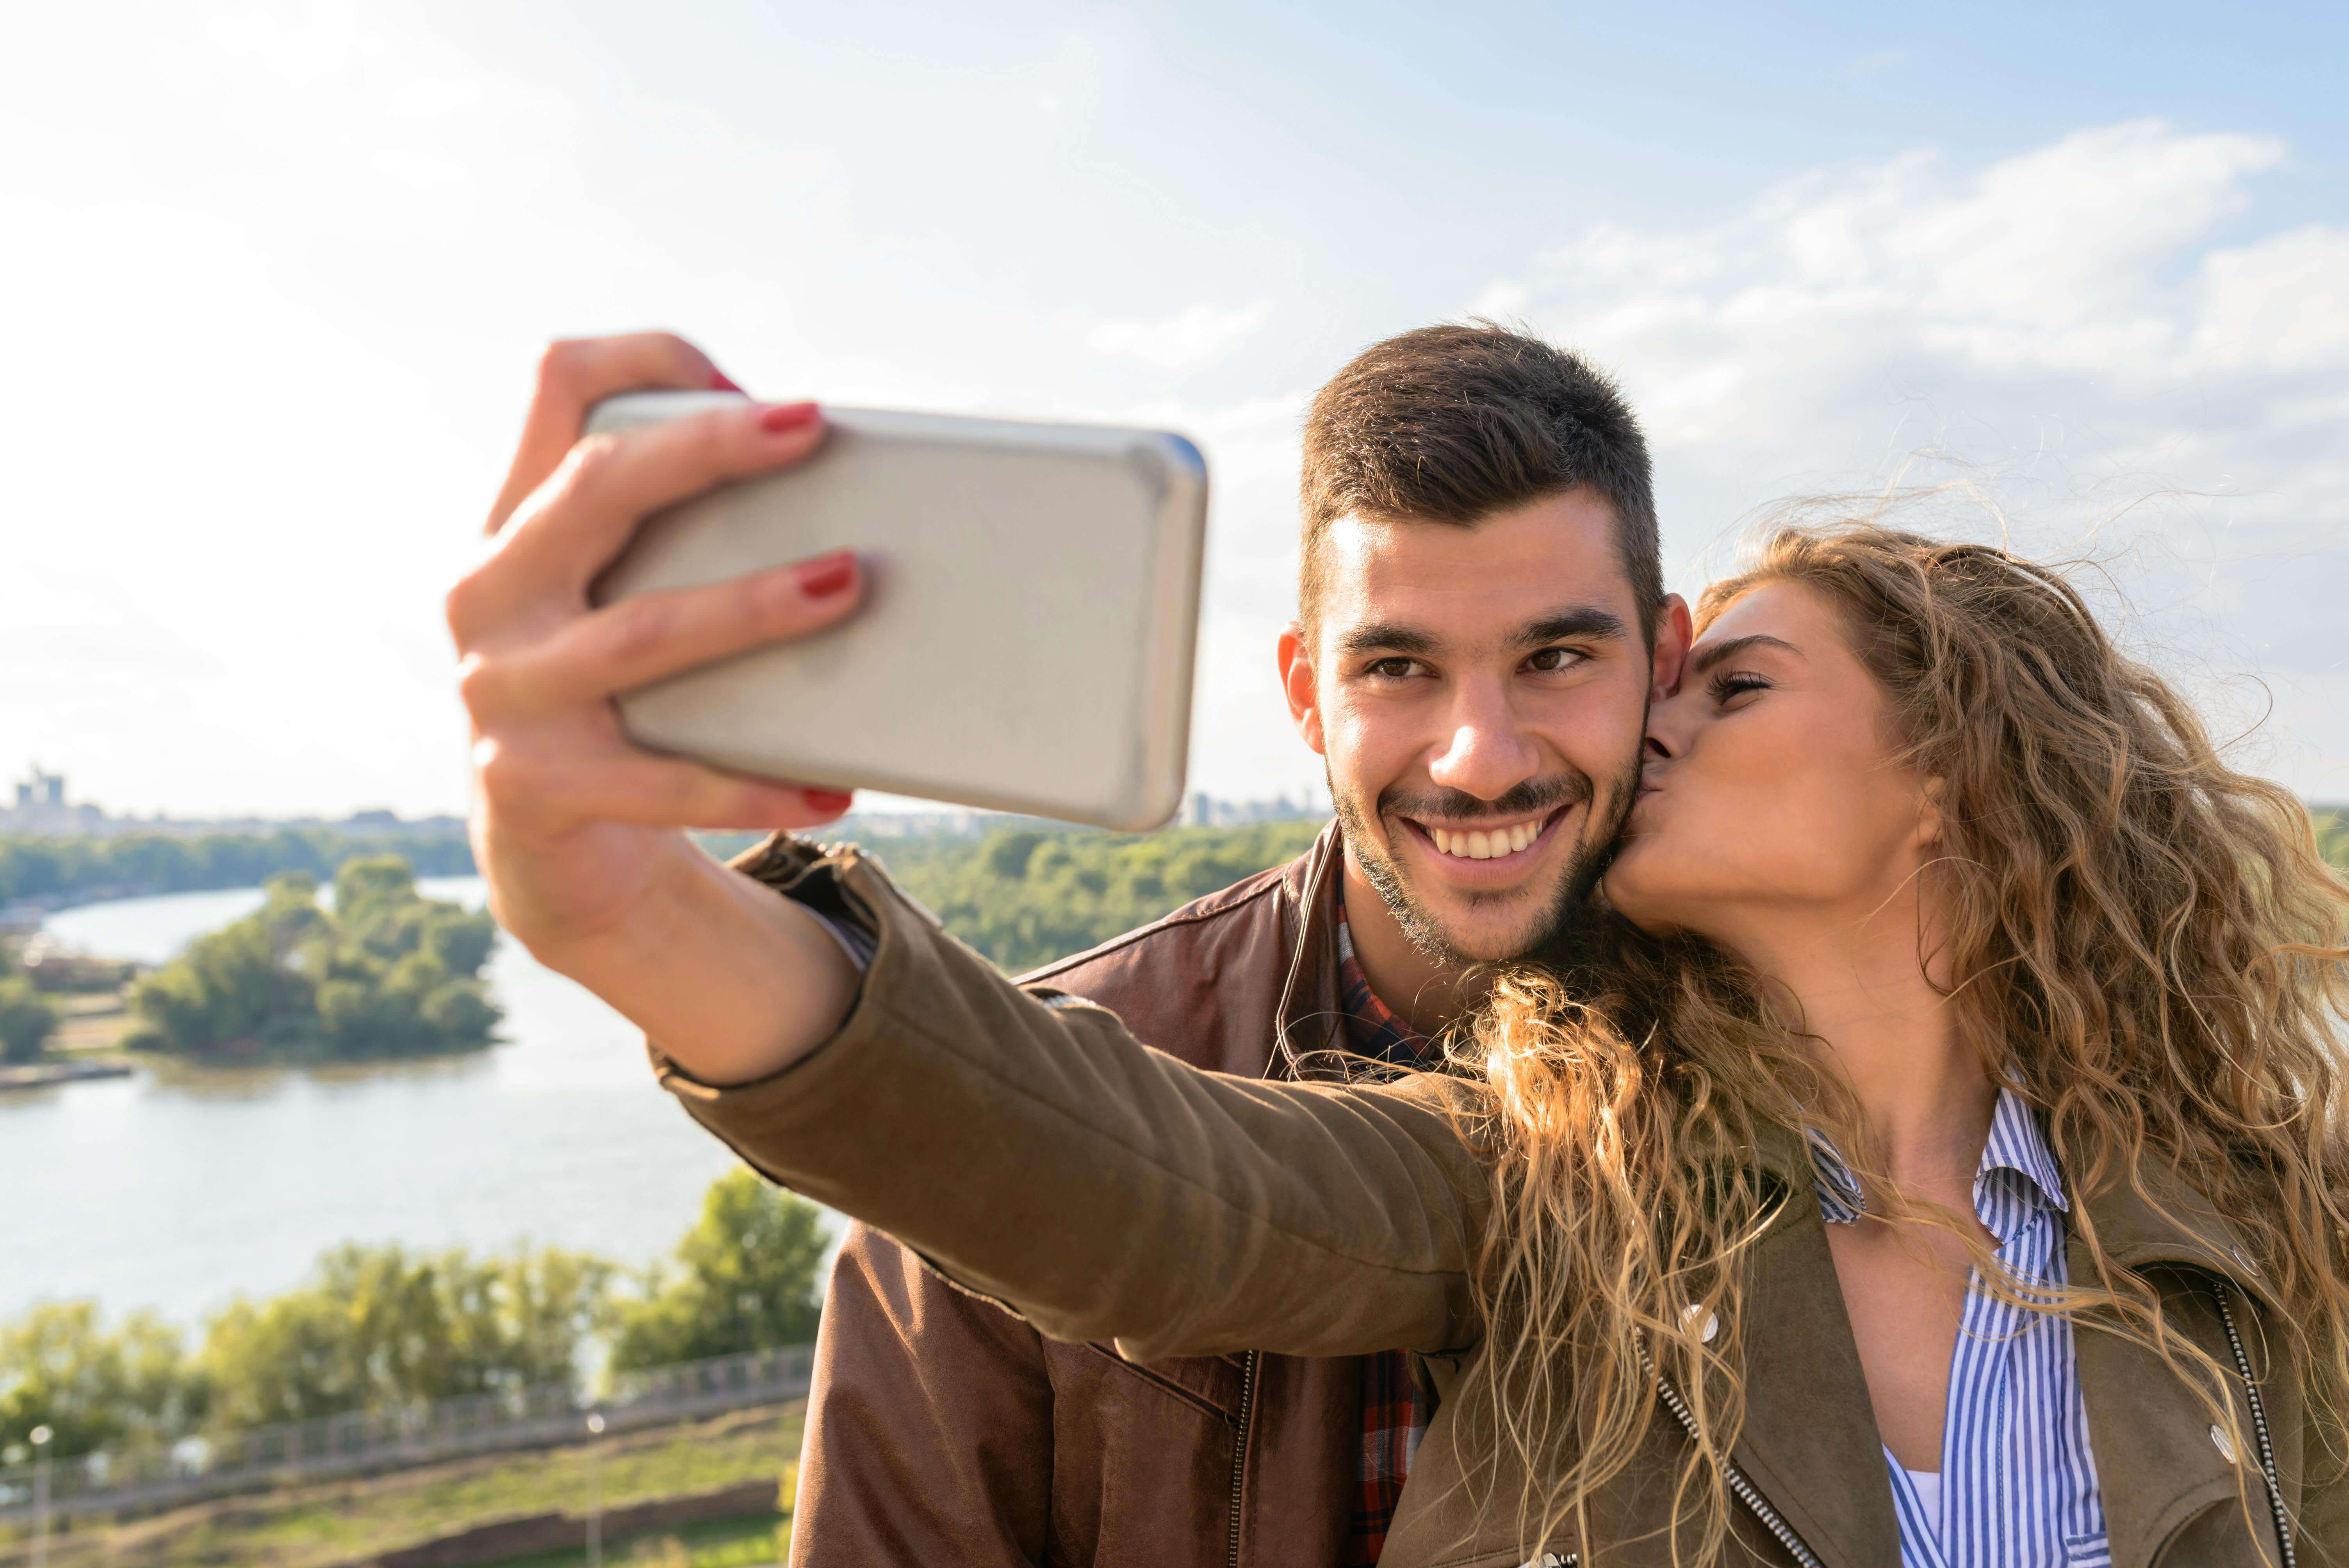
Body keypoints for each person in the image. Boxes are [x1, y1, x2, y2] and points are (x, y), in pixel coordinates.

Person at [461, 461, 2349, 1556]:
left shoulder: (2254, 1209)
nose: (1638, 722)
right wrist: (638, 912)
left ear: (1952, 772)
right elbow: (1136, 1178)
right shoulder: (1544, 1175)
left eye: (1735, 683)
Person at [450, 324, 1691, 1563]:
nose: (1479, 757)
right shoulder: (997, 1125)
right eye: (1398, 667)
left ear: (1666, 662)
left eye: (1558, 656)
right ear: (1306, 695)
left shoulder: (1793, 1061)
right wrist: (633, 913)